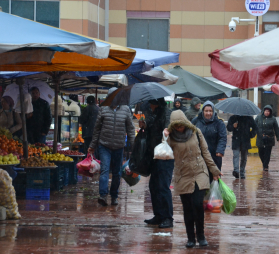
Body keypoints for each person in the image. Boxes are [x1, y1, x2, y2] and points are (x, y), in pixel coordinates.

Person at [163, 110, 221, 248]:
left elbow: (205, 152)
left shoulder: (196, 132)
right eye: (176, 126)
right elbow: (163, 152)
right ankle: (190, 238)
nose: (179, 128)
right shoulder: (171, 137)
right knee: (187, 207)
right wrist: (164, 137)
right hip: (182, 175)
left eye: (181, 125)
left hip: (199, 172)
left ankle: (201, 236)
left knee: (197, 204)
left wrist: (214, 170)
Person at [88, 87, 136, 206]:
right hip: (104, 145)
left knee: (117, 173)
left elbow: (130, 129)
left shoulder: (125, 109)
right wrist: (92, 145)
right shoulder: (103, 109)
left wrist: (134, 146)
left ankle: (114, 196)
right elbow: (97, 129)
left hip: (119, 146)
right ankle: (103, 195)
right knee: (104, 170)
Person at [139, 98, 173, 229]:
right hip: (154, 155)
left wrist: (165, 130)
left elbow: (167, 130)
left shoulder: (166, 113)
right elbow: (151, 131)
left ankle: (168, 217)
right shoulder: (151, 113)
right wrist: (145, 125)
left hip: (164, 156)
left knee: (163, 187)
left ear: (156, 103)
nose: (149, 105)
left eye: (151, 103)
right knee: (153, 186)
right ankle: (158, 215)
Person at [191, 101, 227, 180]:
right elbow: (189, 134)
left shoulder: (219, 123)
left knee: (214, 177)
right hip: (199, 155)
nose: (208, 113)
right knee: (201, 177)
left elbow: (222, 137)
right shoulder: (196, 121)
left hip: (214, 155)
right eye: (206, 111)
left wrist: (220, 150)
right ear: (203, 111)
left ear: (213, 111)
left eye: (210, 111)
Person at [227, 114, 258, 179]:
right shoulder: (233, 118)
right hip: (236, 140)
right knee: (236, 155)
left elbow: (255, 128)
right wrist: (233, 126)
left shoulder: (249, 118)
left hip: (245, 141)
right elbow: (228, 128)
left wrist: (250, 135)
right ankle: (236, 171)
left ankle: (242, 171)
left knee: (244, 157)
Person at [255, 105, 279, 171]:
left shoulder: (273, 119)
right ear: (263, 111)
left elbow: (276, 129)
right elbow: (254, 126)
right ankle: (264, 163)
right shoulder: (258, 117)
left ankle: (265, 166)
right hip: (260, 138)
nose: (267, 112)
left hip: (269, 138)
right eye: (266, 111)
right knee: (261, 152)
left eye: (268, 111)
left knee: (267, 153)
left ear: (270, 112)